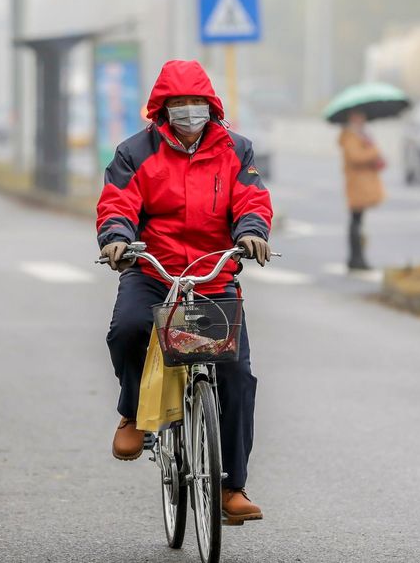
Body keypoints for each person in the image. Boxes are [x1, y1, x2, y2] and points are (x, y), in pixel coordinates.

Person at [96, 59, 273, 524]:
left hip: (213, 275)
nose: (189, 112)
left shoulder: (236, 150)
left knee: (236, 375)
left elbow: (251, 198)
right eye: (178, 104)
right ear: (162, 110)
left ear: (211, 107)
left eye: (196, 103)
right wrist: (116, 238)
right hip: (154, 270)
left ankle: (232, 488)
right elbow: (118, 202)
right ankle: (134, 413)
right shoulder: (134, 152)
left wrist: (252, 231)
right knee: (128, 329)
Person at [338, 109, 385, 270]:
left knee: (358, 221)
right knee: (356, 221)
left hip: (362, 183)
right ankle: (356, 258)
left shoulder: (359, 135)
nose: (362, 120)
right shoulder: (350, 136)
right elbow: (356, 157)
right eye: (358, 117)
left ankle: (358, 257)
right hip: (357, 184)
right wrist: (374, 150)